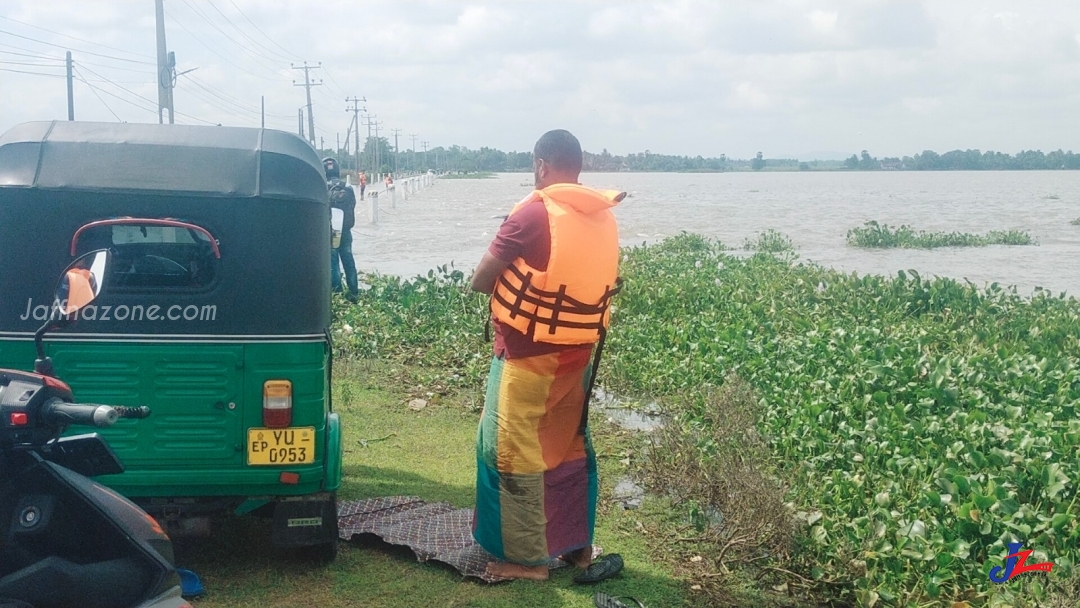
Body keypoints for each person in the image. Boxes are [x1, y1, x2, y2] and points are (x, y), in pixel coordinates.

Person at [470, 129, 626, 582]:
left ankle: (523, 561)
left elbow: (482, 279)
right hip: (577, 359)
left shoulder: (532, 215)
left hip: (526, 361)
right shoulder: (600, 217)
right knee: (567, 447)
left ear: (540, 164)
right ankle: (576, 547)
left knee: (509, 452)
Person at [323, 157, 358, 300]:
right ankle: (354, 293)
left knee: (333, 264)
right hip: (346, 230)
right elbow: (353, 205)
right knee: (348, 260)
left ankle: (337, 295)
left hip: (331, 231)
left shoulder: (322, 188)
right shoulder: (347, 187)